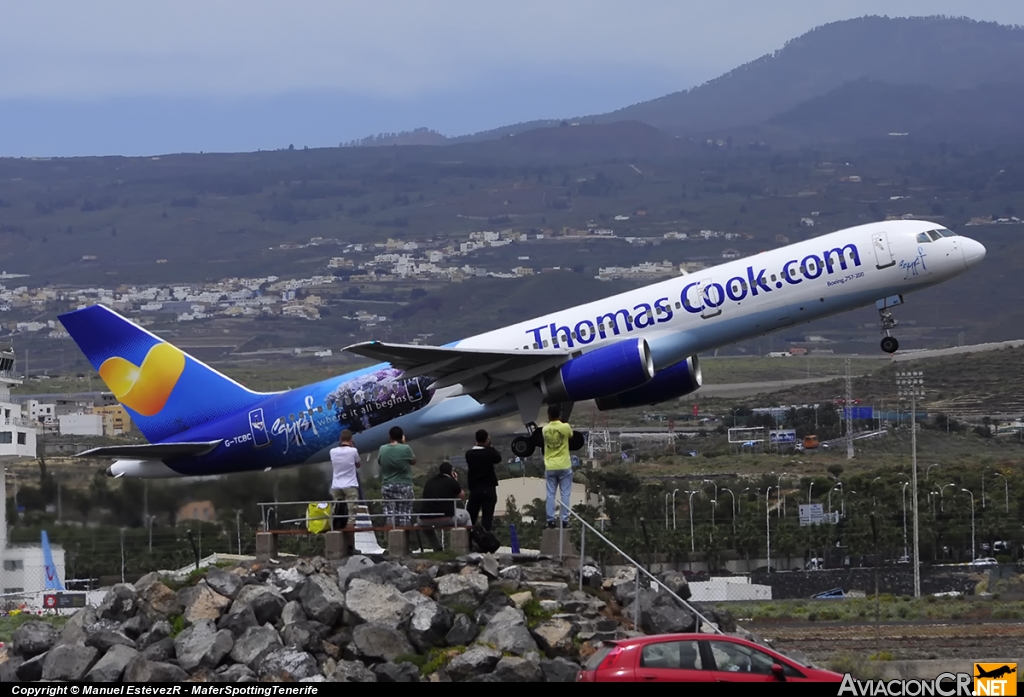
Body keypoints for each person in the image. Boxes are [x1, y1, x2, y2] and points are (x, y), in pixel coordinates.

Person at [417, 462, 471, 551]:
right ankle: (467, 545)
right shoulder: (451, 482)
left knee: (424, 525)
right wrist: (455, 481)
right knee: (466, 515)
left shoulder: (429, 482)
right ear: (451, 472)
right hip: (446, 517)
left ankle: (437, 548)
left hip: (425, 519)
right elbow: (461, 496)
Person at [542, 404, 574, 528]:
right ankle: (564, 520)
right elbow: (571, 436)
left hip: (550, 466)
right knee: (565, 494)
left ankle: (550, 519)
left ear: (549, 415)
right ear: (559, 415)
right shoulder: (565, 427)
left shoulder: (544, 429)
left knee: (550, 494)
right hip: (564, 465)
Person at [378, 425, 417, 527]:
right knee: (404, 515)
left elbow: (380, 462)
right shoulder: (406, 449)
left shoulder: (382, 449)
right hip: (404, 484)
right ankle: (404, 541)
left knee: (390, 515)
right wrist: (403, 444)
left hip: (387, 484)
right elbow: (413, 461)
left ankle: (392, 539)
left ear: (390, 436)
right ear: (401, 437)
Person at [465, 429, 501, 531]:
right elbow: (498, 458)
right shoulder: (489, 453)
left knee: (471, 516)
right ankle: (485, 539)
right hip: (489, 488)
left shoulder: (469, 454)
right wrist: (490, 446)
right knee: (487, 518)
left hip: (475, 489)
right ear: (487, 439)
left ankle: (468, 539)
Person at [329, 430, 361, 530]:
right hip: (350, 485)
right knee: (351, 516)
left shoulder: (332, 451)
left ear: (340, 439)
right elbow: (358, 464)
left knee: (337, 512)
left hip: (336, 485)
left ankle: (336, 537)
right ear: (351, 440)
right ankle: (350, 543)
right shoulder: (353, 451)